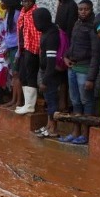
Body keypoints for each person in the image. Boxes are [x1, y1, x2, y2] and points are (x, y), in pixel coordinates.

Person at [59, 0, 100, 145]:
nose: (83, 12)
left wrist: (91, 78)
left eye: (86, 9)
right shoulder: (77, 24)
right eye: (80, 9)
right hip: (72, 68)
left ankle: (85, 134)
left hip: (85, 69)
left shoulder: (93, 27)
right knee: (75, 101)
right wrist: (66, 57)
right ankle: (75, 132)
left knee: (86, 101)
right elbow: (73, 45)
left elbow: (96, 54)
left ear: (91, 9)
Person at [36, 7, 60, 137]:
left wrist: (45, 81)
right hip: (44, 70)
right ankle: (48, 125)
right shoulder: (46, 32)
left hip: (50, 74)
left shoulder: (51, 35)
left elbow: (51, 61)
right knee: (48, 99)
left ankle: (53, 129)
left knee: (52, 100)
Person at [15, 0, 40, 114]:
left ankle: (30, 105)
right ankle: (26, 103)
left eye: (28, 1)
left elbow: (37, 34)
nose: (26, 3)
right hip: (23, 49)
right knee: (23, 75)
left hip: (32, 49)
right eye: (24, 1)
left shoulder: (36, 14)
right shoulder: (23, 13)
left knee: (31, 76)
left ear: (33, 1)